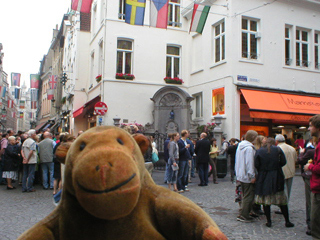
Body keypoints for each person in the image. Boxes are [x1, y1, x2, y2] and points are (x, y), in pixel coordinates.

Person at [254, 138, 294, 228]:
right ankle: (287, 221)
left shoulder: (259, 151)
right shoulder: (278, 150)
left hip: (264, 176)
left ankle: (269, 221)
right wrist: (276, 167)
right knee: (281, 199)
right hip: (277, 175)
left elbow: (256, 164)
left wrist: (263, 169)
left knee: (266, 200)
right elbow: (283, 161)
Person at [235, 130, 258, 222]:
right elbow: (249, 163)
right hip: (246, 176)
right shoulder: (249, 148)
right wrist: (252, 176)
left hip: (241, 175)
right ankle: (244, 215)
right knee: (249, 196)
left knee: (245, 195)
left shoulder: (240, 146)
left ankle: (243, 212)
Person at [304, 115, 320, 240]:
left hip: (318, 188)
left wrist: (309, 166)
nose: (309, 129)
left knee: (316, 222)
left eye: (310, 126)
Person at [297, 136, 317, 236]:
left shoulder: (310, 151)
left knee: (310, 202)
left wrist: (301, 153)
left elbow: (300, 160)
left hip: (312, 178)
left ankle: (311, 225)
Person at [275, 134, 297, 205]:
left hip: (281, 172)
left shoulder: (277, 149)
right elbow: (295, 160)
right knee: (288, 190)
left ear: (277, 141)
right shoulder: (292, 148)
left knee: (281, 190)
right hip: (291, 171)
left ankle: (282, 204)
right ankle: (286, 203)